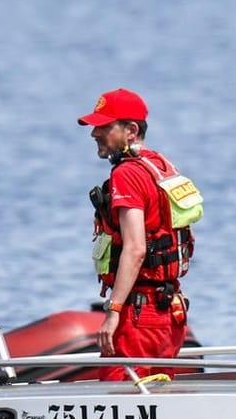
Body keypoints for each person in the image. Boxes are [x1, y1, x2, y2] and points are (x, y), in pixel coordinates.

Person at [79, 88, 200, 378]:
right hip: (169, 312)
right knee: (158, 402)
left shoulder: (126, 174)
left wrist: (113, 311)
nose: (95, 133)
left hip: (138, 316)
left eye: (105, 126)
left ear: (131, 130)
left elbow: (135, 249)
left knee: (119, 399)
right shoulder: (159, 166)